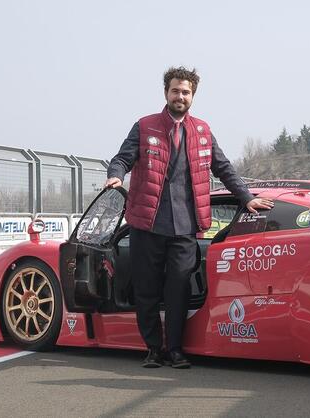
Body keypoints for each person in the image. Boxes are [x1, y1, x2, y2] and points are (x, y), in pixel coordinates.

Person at [106, 66, 273, 369]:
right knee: (147, 289)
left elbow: (224, 168)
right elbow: (122, 158)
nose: (180, 96)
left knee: (178, 290)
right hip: (147, 224)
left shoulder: (202, 131)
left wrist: (247, 197)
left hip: (185, 228)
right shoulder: (144, 126)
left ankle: (176, 350)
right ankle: (154, 350)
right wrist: (115, 176)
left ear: (192, 96)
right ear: (166, 93)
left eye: (185, 92)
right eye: (175, 91)